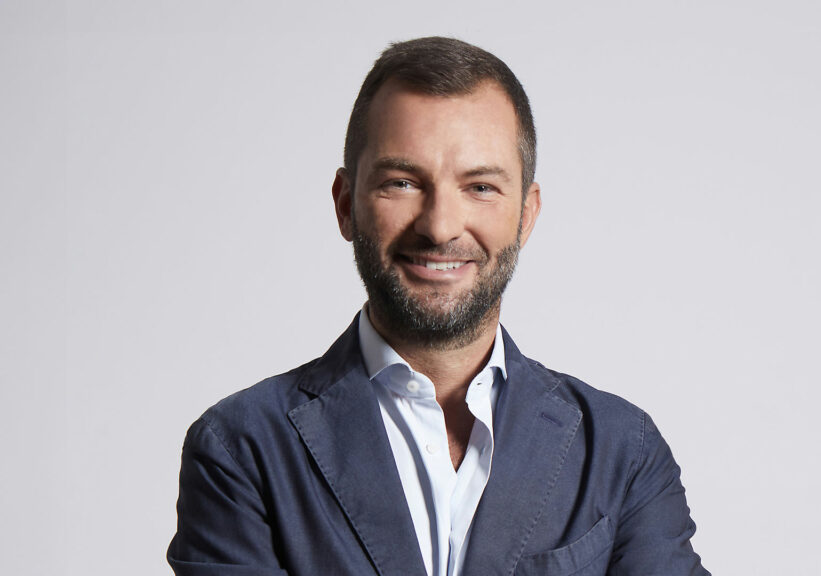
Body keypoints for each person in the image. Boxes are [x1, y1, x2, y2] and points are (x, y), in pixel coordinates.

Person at [168, 36, 710, 576]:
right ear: (345, 205)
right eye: (402, 182)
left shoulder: (622, 451)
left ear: (526, 215)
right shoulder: (242, 449)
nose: (440, 226)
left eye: (480, 187)